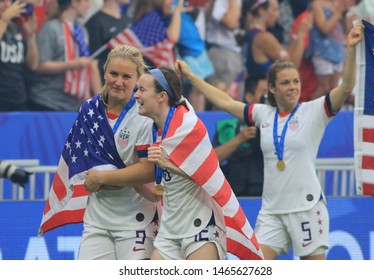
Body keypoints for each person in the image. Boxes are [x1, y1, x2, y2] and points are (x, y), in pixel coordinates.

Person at [176, 23, 364, 260]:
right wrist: (191, 76)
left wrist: (350, 49)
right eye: (285, 83)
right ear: (272, 88)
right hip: (272, 211)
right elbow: (224, 101)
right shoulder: (262, 114)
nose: (292, 87)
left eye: (295, 82)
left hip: (306, 209)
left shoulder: (314, 111)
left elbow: (346, 87)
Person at [134, 66, 262, 260]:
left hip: (200, 228)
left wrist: (168, 164)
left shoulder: (189, 126)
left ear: (161, 96)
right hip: (169, 231)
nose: (136, 95)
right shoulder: (150, 129)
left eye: (142, 90)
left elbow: (207, 173)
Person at [76, 45, 161, 260]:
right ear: (104, 72)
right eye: (113, 74)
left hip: (136, 222)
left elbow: (147, 170)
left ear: (138, 79)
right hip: (97, 220)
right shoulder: (88, 109)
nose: (118, 82)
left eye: (126, 76)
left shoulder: (143, 114)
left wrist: (103, 177)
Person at [28, 0, 101, 111]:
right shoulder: (51, 28)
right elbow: (39, 65)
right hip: (49, 101)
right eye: (85, 1)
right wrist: (72, 64)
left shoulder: (82, 31)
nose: (88, 5)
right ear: (74, 3)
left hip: (74, 105)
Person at [212, 74, 267, 197]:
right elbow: (211, 159)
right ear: (249, 97)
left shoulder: (278, 128)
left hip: (266, 194)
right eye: (264, 93)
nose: (268, 98)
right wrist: (240, 138)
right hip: (233, 195)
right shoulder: (228, 127)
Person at [0, 0, 38, 111]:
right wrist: (4, 19)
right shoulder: (4, 22)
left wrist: (31, 36)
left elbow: (33, 64)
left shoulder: (15, 28)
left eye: (9, 1)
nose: (7, 5)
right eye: (2, 1)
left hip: (18, 99)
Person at [85, 0, 132, 84]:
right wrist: (99, 95)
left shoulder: (128, 20)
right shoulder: (95, 22)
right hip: (106, 84)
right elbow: (92, 63)